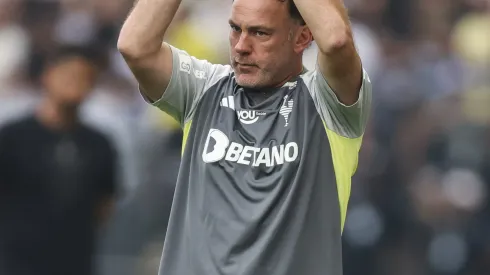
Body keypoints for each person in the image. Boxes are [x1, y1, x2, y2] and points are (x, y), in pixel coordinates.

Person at [118, 0, 372, 274]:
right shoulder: (204, 89)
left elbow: (335, 40)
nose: (241, 46)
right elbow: (135, 47)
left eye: (260, 32)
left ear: (302, 37)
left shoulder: (328, 104)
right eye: (235, 29)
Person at [0, 45, 117, 275]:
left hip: (75, 262)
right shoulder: (12, 137)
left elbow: (105, 205)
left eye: (84, 78)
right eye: (68, 75)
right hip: (17, 262)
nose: (75, 84)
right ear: (48, 75)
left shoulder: (99, 143)